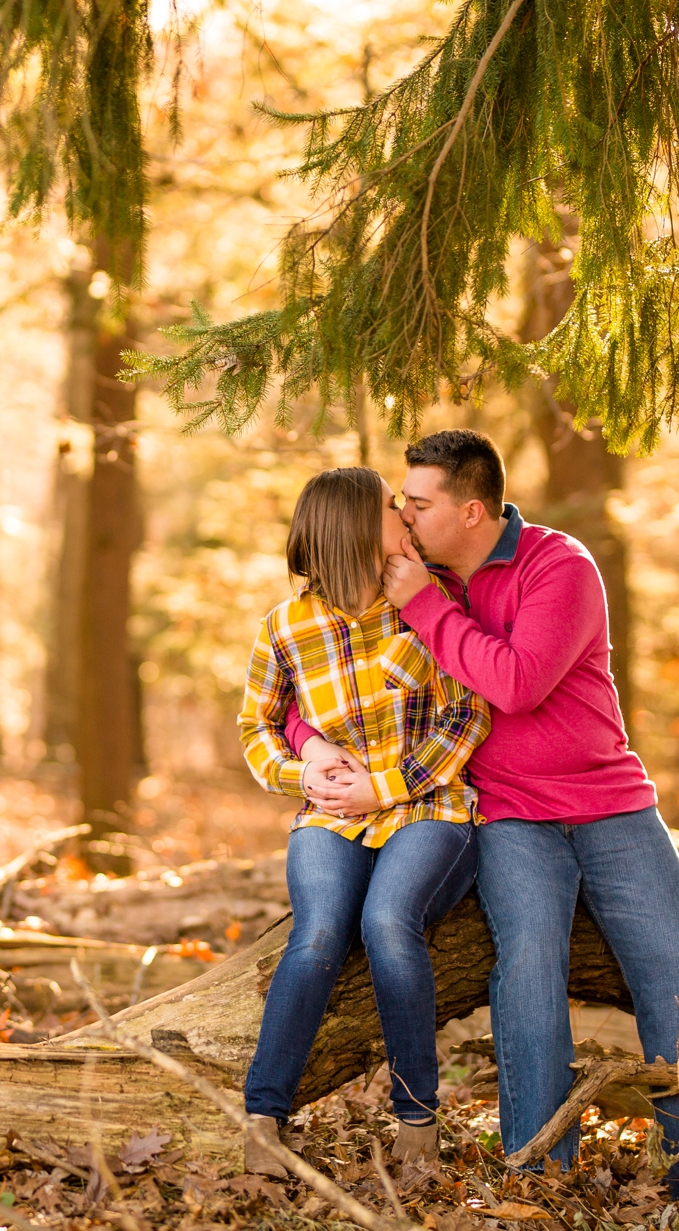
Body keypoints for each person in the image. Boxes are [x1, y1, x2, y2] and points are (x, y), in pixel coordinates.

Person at [288, 430, 679, 1207]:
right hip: (507, 815)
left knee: (676, 977)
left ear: (472, 511)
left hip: (612, 806)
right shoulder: (411, 573)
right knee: (528, 969)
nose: (402, 512)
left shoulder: (556, 565)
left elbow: (519, 682)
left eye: (419, 502)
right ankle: (538, 1173)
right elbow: (313, 665)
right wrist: (309, 744)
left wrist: (425, 607)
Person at [237, 466, 490, 1178]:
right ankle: (263, 1117)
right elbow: (255, 728)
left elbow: (466, 713)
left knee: (387, 921)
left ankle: (416, 1118)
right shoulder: (285, 627)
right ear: (354, 524)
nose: (404, 513)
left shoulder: (428, 599)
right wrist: (302, 771)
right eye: (389, 505)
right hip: (331, 816)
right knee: (317, 933)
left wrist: (386, 785)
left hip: (427, 807)